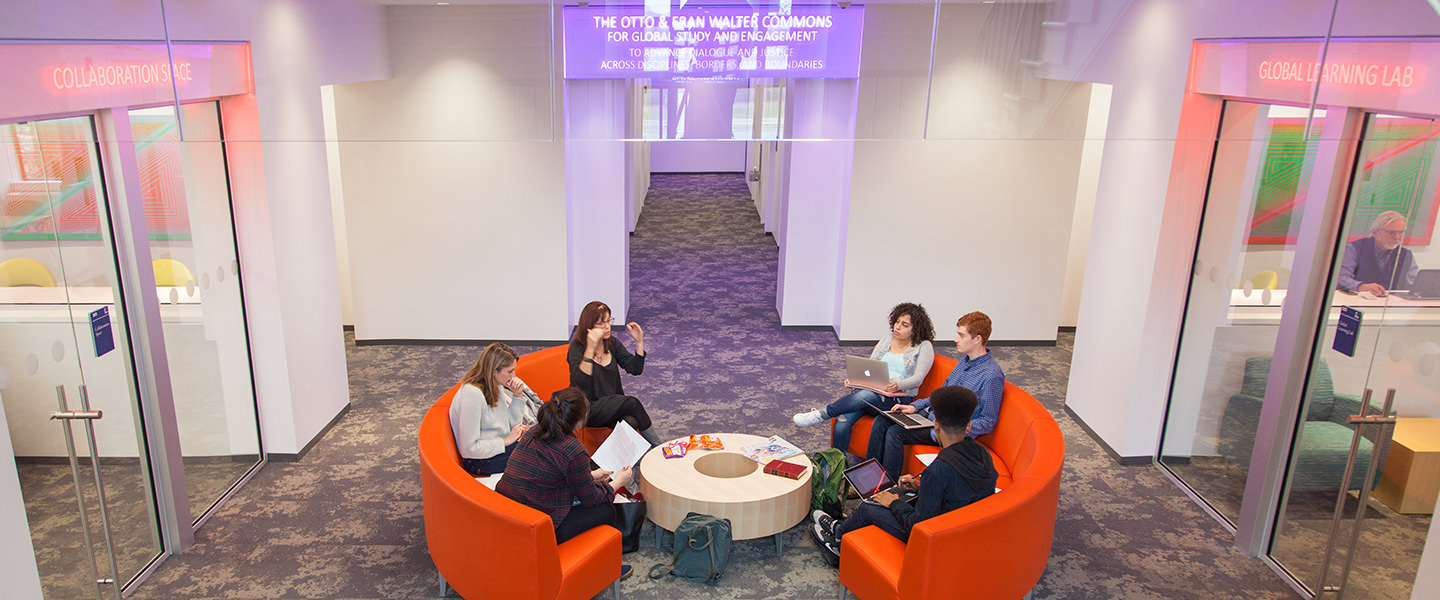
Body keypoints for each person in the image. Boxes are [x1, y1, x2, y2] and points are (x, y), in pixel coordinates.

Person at [809, 385, 998, 564]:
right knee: (899, 496)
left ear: (936, 426)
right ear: (968, 427)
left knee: (869, 507)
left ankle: (838, 540)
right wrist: (920, 487)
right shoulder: (983, 455)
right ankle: (840, 529)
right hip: (964, 526)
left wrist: (893, 503)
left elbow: (918, 525)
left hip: (939, 537)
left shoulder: (938, 470)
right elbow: (960, 489)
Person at [497, 387, 635, 578]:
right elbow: (591, 498)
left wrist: (591, 475)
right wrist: (618, 482)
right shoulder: (573, 450)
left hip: (507, 514)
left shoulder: (534, 431)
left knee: (597, 494)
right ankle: (606, 566)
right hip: (540, 525)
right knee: (606, 509)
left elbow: (552, 473)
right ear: (579, 421)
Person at [866, 311, 1004, 482]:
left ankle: (887, 487)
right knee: (882, 421)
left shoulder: (992, 375)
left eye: (961, 335)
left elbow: (988, 421)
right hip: (930, 416)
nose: (956, 340)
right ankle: (868, 479)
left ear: (977, 339)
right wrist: (916, 406)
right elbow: (942, 393)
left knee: (895, 433)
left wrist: (950, 427)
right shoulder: (964, 362)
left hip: (947, 430)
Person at [793, 303, 936, 451]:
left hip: (896, 399)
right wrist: (857, 379)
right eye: (897, 322)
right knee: (842, 421)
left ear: (916, 329)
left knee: (864, 396)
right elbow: (870, 366)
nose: (897, 327)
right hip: (872, 392)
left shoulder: (924, 346)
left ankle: (822, 414)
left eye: (904, 325)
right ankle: (835, 465)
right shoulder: (888, 338)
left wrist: (897, 385)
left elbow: (918, 378)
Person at [568, 300, 662, 446]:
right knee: (631, 403)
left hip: (613, 406)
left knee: (631, 421)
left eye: (608, 321)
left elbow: (635, 369)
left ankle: (610, 463)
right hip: (588, 409)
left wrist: (639, 342)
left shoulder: (611, 343)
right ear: (589, 327)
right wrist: (590, 349)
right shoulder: (577, 348)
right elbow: (580, 383)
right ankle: (659, 446)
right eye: (601, 323)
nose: (607, 326)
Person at [449, 343, 541, 476]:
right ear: (494, 371)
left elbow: (509, 425)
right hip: (480, 460)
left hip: (497, 448)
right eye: (510, 371)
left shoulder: (495, 385)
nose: (513, 375)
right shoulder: (472, 394)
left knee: (547, 443)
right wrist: (505, 442)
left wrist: (517, 396)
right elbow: (469, 449)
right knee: (542, 455)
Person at [1338, 210, 1418, 296]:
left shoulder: (1406, 254)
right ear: (1375, 232)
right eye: (1391, 232)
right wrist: (1360, 286)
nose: (1397, 237)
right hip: (1357, 301)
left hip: (1390, 303)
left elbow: (1414, 284)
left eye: (1401, 232)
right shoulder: (1354, 249)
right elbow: (1341, 278)